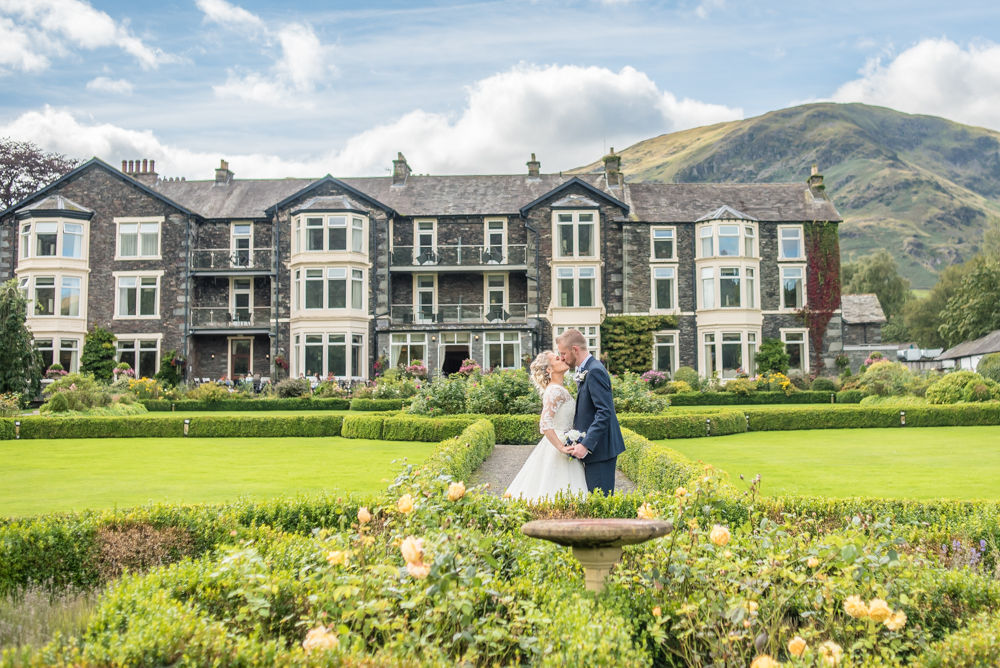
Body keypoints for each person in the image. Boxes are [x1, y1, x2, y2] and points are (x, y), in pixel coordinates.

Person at [504, 351, 588, 501]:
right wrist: (561, 447)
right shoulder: (555, 390)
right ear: (549, 369)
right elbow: (545, 423)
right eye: (557, 358)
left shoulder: (558, 389)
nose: (561, 358)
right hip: (558, 446)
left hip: (564, 440)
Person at [556, 328, 625, 494]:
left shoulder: (594, 371)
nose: (562, 358)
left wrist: (586, 445)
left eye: (563, 353)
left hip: (601, 450)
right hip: (594, 450)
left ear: (575, 350)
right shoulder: (587, 369)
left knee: (601, 504)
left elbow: (604, 412)